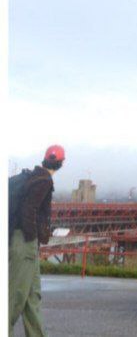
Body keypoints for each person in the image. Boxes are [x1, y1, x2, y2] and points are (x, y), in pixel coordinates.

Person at [8, 144, 64, 337]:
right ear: (61, 163)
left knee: (32, 297)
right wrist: (32, 237)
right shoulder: (44, 180)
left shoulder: (35, 176)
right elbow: (28, 211)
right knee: (15, 296)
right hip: (24, 242)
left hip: (25, 242)